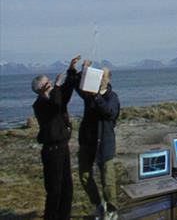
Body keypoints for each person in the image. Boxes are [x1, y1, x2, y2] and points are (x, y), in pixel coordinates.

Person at [32, 55, 80, 220]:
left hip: (62, 147)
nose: (50, 84)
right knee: (55, 190)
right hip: (52, 151)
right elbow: (56, 105)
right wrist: (57, 87)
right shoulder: (40, 105)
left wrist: (71, 70)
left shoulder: (54, 97)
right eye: (47, 83)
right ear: (41, 88)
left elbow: (65, 93)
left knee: (67, 188)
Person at [75, 61, 120, 220]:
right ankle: (99, 205)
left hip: (105, 144)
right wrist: (82, 70)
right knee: (84, 175)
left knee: (107, 180)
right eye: (99, 75)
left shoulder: (112, 97)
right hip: (87, 143)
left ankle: (112, 210)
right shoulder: (89, 94)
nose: (100, 78)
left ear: (109, 79)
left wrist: (97, 97)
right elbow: (77, 85)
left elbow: (109, 113)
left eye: (104, 76)